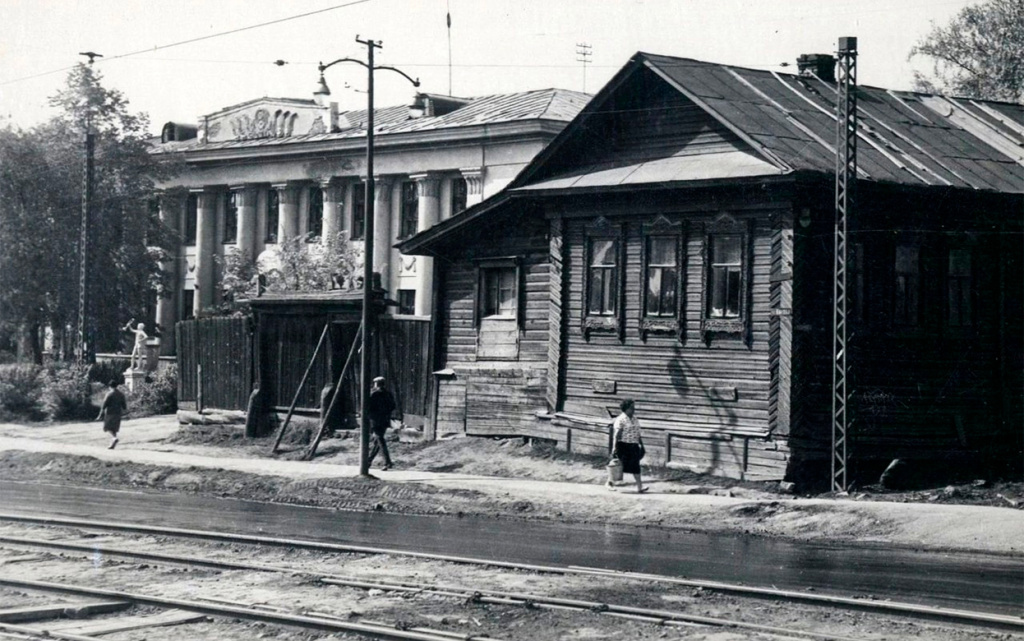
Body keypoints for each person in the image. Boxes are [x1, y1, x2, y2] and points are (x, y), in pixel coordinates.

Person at [610, 398, 647, 493]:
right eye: (631, 407)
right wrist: (614, 448)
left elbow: (637, 433)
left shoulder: (635, 419)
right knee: (619, 465)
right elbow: (617, 435)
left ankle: (640, 487)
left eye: (633, 407)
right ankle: (609, 483)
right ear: (626, 408)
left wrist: (641, 445)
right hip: (623, 445)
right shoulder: (621, 419)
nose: (633, 409)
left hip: (633, 445)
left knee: (635, 466)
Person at [367, 376, 397, 470]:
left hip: (375, 420)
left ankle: (387, 462)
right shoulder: (388, 394)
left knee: (380, 440)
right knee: (378, 441)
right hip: (385, 420)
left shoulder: (373, 394)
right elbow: (393, 406)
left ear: (376, 384)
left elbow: (368, 406)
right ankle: (369, 460)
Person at [97, 379, 127, 450]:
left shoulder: (109, 394)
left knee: (107, 427)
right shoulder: (121, 394)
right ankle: (113, 444)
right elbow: (124, 406)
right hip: (118, 413)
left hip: (110, 413)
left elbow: (104, 405)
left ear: (110, 386)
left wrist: (99, 415)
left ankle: (114, 438)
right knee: (114, 428)